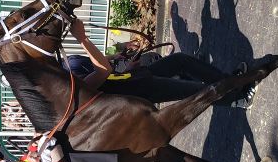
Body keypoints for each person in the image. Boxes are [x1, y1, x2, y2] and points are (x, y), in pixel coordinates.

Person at [66, 19, 256, 109]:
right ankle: (239, 100)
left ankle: (231, 83)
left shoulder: (63, 64)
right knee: (194, 91)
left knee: (180, 61)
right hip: (134, 94)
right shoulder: (65, 87)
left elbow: (103, 68)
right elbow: (102, 73)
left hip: (130, 79)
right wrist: (82, 38)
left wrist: (120, 59)